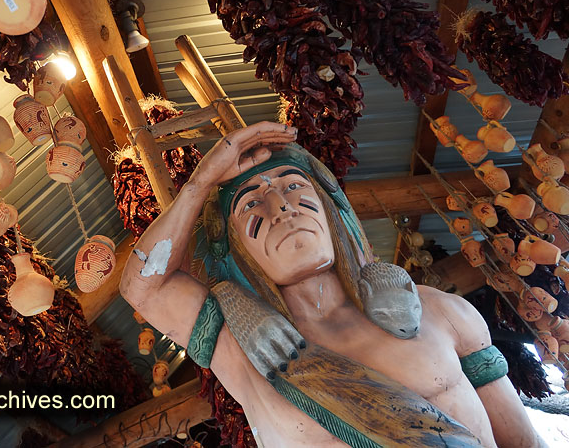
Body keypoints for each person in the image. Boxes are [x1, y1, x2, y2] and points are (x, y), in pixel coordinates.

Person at [120, 122, 546, 448]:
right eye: (251, 202)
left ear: (331, 211)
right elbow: (143, 288)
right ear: (234, 249)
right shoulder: (239, 350)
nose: (281, 207)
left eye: (293, 187)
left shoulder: (442, 312)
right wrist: (201, 183)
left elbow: (521, 441)